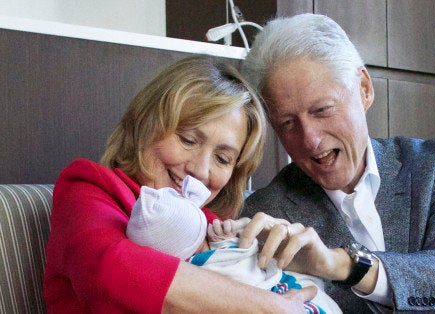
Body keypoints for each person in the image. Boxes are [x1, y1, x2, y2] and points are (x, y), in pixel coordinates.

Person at [238, 13, 435, 313]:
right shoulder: (267, 214)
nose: (310, 139)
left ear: (364, 89)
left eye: (322, 110)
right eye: (287, 123)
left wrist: (345, 265)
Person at [44, 55, 317, 313]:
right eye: (187, 140)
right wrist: (269, 307)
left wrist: (275, 259)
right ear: (144, 124)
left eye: (222, 158)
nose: (199, 170)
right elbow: (111, 272)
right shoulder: (90, 188)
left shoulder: (212, 225)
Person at [126, 175, 342, 314]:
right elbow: (237, 264)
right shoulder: (206, 263)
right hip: (281, 294)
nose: (200, 171)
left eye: (222, 158)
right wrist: (227, 240)